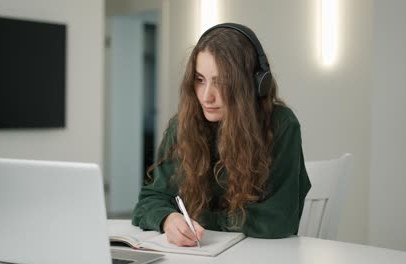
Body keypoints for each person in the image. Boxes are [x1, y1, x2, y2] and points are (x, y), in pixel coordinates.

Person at [131, 23, 311, 246]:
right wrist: (169, 219)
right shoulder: (184, 125)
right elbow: (150, 199)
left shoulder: (281, 125)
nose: (207, 96)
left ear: (252, 84)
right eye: (199, 80)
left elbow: (276, 220)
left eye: (222, 82)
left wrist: (198, 216)